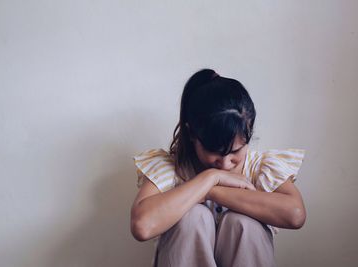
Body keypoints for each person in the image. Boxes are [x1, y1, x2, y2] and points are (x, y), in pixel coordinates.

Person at [130, 68, 306, 267]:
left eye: (235, 152)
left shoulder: (259, 167)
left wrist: (211, 192)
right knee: (193, 218)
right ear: (192, 135)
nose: (225, 163)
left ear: (249, 133)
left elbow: (296, 215)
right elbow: (142, 226)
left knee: (243, 224)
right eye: (214, 152)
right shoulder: (173, 168)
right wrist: (209, 179)